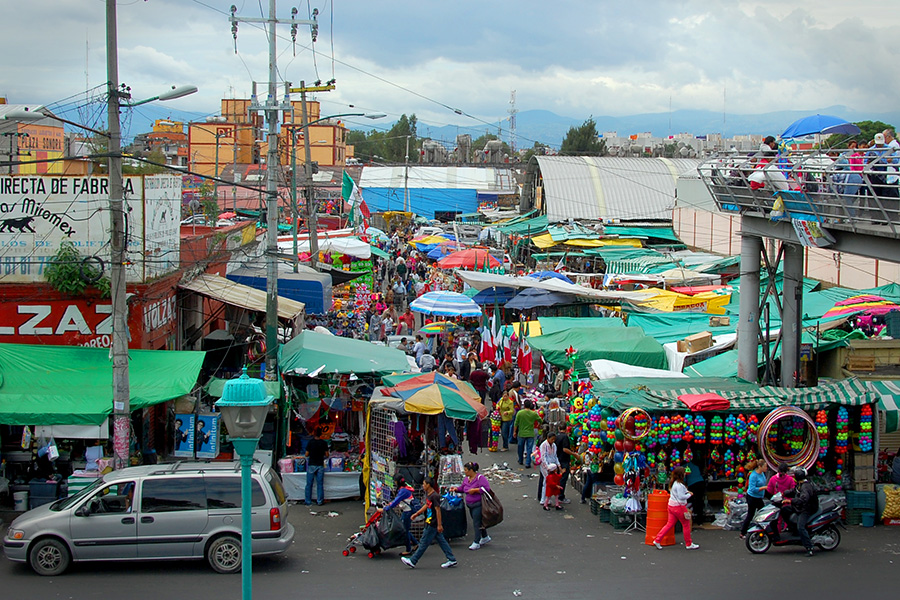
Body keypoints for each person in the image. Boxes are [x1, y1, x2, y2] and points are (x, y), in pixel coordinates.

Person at [401, 477, 458, 569]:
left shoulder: (435, 496)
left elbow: (438, 510)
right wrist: (417, 513)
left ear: (428, 485)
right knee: (441, 541)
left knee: (424, 542)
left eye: (424, 484)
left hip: (432, 523)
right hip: (430, 521)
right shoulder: (430, 495)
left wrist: (439, 525)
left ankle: (413, 560)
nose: (423, 486)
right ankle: (451, 558)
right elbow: (427, 505)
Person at [652, 466, 700, 550]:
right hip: (679, 507)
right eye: (684, 473)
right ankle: (688, 543)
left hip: (671, 506)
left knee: (669, 524)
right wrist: (689, 494)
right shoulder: (680, 485)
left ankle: (658, 539)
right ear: (681, 475)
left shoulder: (674, 483)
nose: (685, 474)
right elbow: (681, 497)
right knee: (686, 524)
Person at [453, 462, 492, 550]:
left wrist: (475, 490)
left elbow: (486, 488)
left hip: (478, 504)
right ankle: (485, 536)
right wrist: (456, 489)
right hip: (470, 505)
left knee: (476, 523)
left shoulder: (480, 478)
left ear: (471, 470)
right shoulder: (466, 479)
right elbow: (462, 488)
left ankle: (476, 541)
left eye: (466, 470)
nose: (465, 472)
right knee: (477, 521)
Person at [379, 476, 419, 556]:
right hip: (407, 511)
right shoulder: (405, 488)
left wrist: (385, 508)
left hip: (407, 512)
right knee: (404, 528)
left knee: (404, 530)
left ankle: (408, 549)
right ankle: (416, 543)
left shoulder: (403, 491)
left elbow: (395, 502)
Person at [783, 468, 819, 556]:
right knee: (784, 510)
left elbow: (803, 500)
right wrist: (784, 493)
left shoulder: (806, 487)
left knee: (801, 527)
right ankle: (792, 528)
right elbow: (794, 491)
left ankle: (809, 548)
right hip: (799, 507)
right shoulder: (800, 484)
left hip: (806, 509)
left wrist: (791, 501)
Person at [740, 459, 768, 539]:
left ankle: (761, 530)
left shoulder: (762, 474)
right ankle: (743, 532)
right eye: (765, 466)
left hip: (759, 497)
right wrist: (763, 488)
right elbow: (752, 489)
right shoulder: (753, 475)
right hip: (752, 497)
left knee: (762, 513)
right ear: (760, 466)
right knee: (751, 514)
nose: (766, 468)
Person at [514, 400, 542, 468]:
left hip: (521, 433)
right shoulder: (533, 413)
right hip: (530, 433)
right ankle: (528, 463)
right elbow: (540, 420)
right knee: (529, 449)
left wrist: (514, 432)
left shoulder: (520, 413)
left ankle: (520, 460)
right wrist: (538, 425)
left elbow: (516, 423)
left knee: (520, 447)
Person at [555, 427, 579, 504]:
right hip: (564, 460)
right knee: (563, 478)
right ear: (566, 429)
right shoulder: (565, 437)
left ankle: (557, 495)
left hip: (558, 459)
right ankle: (561, 496)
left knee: (559, 478)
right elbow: (565, 449)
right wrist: (574, 454)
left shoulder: (557, 436)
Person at [304, 435, 329, 506]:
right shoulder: (324, 443)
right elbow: (327, 454)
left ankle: (308, 501)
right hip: (320, 464)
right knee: (320, 484)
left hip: (311, 464)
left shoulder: (310, 442)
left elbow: (306, 454)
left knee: (309, 484)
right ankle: (320, 501)